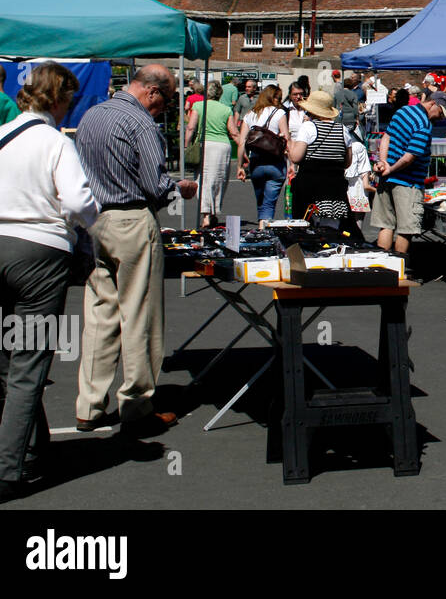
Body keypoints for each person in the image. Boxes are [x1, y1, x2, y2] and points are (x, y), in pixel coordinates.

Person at [0, 63, 99, 505]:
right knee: (29, 363)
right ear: (61, 99)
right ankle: (4, 474)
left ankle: (32, 450)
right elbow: (79, 200)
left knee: (7, 358)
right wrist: (88, 227)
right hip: (37, 254)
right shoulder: (54, 142)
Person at [74, 64, 196, 436]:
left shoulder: (92, 115)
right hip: (130, 218)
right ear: (153, 93)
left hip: (95, 219)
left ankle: (89, 405)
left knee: (99, 314)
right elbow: (154, 185)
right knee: (138, 313)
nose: (165, 107)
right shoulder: (140, 123)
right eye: (168, 99)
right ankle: (137, 402)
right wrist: (180, 188)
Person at [372, 92, 446, 257]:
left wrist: (384, 163)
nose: (440, 118)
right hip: (408, 182)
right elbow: (409, 157)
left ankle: (382, 268)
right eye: (441, 113)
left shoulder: (403, 111)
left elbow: (386, 137)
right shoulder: (424, 125)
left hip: (388, 178)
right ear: (433, 104)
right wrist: (390, 168)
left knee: (386, 225)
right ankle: (399, 269)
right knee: (406, 229)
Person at [287, 90, 354, 223]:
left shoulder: (308, 127)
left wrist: (289, 143)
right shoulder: (343, 130)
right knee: (334, 228)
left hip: (310, 188)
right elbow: (347, 162)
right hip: (335, 189)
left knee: (306, 227)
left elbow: (296, 157)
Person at [185, 80, 237, 229]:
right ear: (219, 94)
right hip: (223, 146)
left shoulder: (199, 106)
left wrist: (186, 145)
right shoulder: (226, 109)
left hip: (205, 144)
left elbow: (190, 127)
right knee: (219, 179)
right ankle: (214, 212)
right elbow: (233, 131)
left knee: (203, 179)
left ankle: (206, 215)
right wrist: (242, 151)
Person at [237, 84, 289, 228]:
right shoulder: (279, 114)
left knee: (260, 202)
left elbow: (242, 143)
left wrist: (240, 166)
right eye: (277, 98)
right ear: (272, 98)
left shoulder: (250, 115)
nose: (279, 101)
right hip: (275, 163)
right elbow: (286, 139)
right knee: (269, 204)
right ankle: (263, 232)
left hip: (256, 163)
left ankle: (262, 227)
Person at [344, 133, 374, 231]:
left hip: (345, 193)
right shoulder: (360, 147)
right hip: (359, 195)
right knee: (358, 225)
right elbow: (366, 185)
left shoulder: (341, 146)